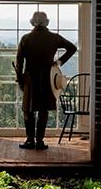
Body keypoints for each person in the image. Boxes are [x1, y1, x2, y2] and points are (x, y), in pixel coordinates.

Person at [14, 10, 77, 150]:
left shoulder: (26, 38)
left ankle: (30, 140)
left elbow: (19, 61)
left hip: (30, 78)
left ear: (32, 22)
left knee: (28, 110)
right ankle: (40, 141)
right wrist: (59, 62)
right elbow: (72, 48)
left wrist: (19, 79)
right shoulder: (54, 38)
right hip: (48, 78)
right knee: (43, 110)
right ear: (47, 22)